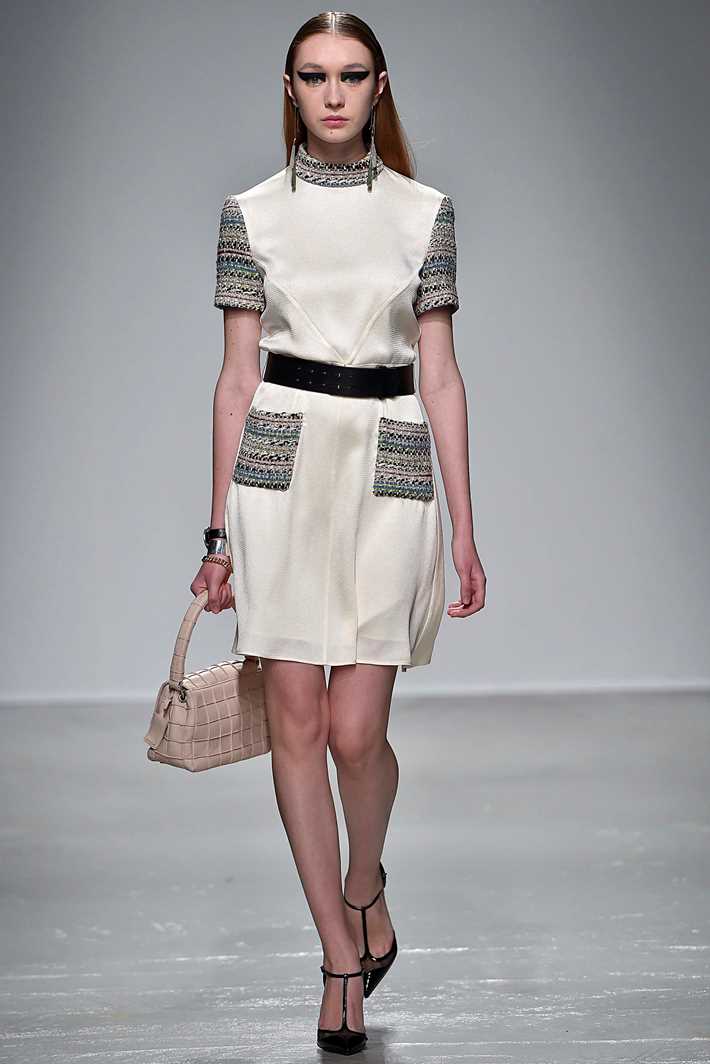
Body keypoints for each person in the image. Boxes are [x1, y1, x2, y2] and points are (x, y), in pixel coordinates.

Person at [191, 11, 486, 1055]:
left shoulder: (423, 214)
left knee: (357, 733)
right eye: (313, 76)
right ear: (290, 87)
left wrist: (465, 525)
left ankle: (366, 884)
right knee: (298, 728)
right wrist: (217, 532)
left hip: (389, 466)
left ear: (377, 86)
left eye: (350, 75)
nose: (332, 94)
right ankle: (336, 958)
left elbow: (439, 375)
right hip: (278, 472)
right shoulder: (249, 215)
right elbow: (237, 378)